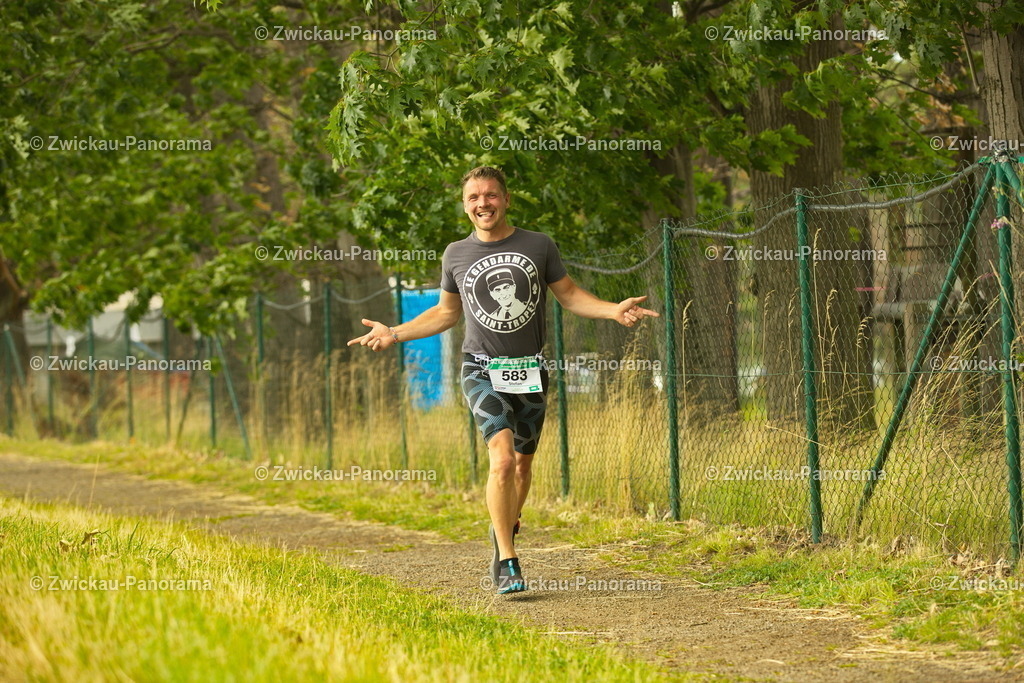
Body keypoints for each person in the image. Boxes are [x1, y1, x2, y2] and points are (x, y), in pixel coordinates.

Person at [347, 166, 659, 594]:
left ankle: (504, 527)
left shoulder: (538, 245)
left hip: (530, 369)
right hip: (479, 368)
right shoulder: (455, 254)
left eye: (490, 195)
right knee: (504, 458)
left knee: (524, 464)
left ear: (506, 199)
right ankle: (508, 559)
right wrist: (395, 332)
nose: (482, 204)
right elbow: (445, 313)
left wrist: (611, 309)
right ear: (465, 205)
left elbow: (567, 294)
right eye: (473, 197)